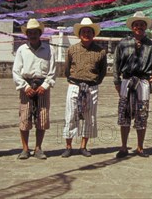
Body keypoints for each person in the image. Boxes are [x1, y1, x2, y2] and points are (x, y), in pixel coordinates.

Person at [112, 11, 152, 158]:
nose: (139, 27)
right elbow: (116, 63)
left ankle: (140, 147)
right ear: (132, 27)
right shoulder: (123, 44)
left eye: (142, 25)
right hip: (127, 81)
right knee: (124, 113)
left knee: (142, 114)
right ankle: (123, 147)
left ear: (145, 27)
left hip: (143, 82)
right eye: (136, 25)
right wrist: (117, 81)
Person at [61, 17, 107, 158]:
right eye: (84, 31)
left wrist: (93, 82)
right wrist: (74, 81)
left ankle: (83, 146)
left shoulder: (100, 52)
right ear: (79, 34)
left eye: (89, 31)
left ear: (93, 34)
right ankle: (68, 146)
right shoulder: (71, 50)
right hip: (74, 85)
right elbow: (67, 70)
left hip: (92, 87)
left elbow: (103, 71)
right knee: (70, 116)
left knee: (89, 117)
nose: (86, 34)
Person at [12, 19, 56, 160]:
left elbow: (53, 71)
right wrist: (25, 86)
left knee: (42, 118)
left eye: (35, 32)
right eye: (29, 33)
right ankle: (25, 148)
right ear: (26, 34)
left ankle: (38, 148)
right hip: (26, 87)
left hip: (43, 87)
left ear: (40, 33)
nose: (32, 35)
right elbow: (16, 71)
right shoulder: (21, 50)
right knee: (25, 118)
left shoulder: (49, 50)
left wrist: (45, 86)